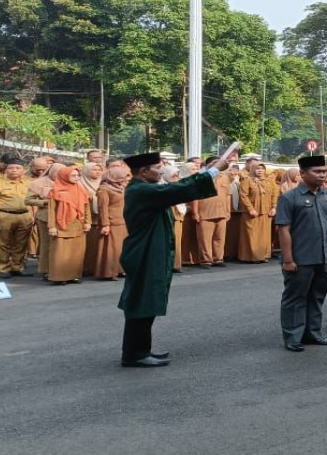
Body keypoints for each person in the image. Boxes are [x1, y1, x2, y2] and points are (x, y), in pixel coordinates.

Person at [117, 150, 232, 367]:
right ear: (143, 171)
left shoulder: (144, 188)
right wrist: (215, 170)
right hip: (144, 252)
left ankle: (141, 350)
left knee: (145, 302)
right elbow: (179, 189)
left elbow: (178, 187)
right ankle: (135, 354)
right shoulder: (141, 190)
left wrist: (209, 170)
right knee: (142, 303)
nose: (161, 171)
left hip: (148, 251)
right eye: (157, 168)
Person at [276, 155, 327, 352]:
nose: (322, 175)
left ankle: (313, 333)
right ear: (302, 174)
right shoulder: (289, 197)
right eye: (317, 171)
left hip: (324, 258)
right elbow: (283, 230)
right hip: (301, 259)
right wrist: (288, 260)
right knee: (295, 298)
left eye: (324, 171)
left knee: (317, 297)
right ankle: (293, 337)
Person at [46, 167, 91, 285]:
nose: (76, 178)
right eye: (73, 176)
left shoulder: (81, 190)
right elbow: (51, 210)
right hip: (62, 225)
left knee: (77, 252)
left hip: (78, 224)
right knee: (60, 252)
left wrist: (88, 222)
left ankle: (74, 275)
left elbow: (86, 208)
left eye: (78, 176)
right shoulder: (55, 190)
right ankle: (59, 277)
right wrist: (52, 226)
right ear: (64, 176)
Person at [0, 158, 33, 277]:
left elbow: (34, 200)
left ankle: (17, 267)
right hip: (4, 215)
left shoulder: (28, 183)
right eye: (11, 168)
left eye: (17, 168)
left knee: (21, 243)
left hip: (24, 215)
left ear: (23, 170)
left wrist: (32, 216)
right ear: (6, 170)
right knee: (1, 243)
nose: (14, 170)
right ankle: (3, 268)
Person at [26, 162, 63, 277]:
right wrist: (45, 202)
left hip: (63, 217)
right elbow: (28, 201)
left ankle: (61, 268)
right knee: (47, 244)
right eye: (57, 172)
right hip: (45, 216)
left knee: (61, 244)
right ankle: (46, 269)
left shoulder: (68, 182)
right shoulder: (38, 183)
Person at [193, 157, 231, 268]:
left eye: (218, 163)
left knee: (219, 238)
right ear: (207, 164)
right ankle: (206, 260)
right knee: (205, 238)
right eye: (214, 163)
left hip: (221, 211)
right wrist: (195, 212)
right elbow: (195, 196)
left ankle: (218, 259)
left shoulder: (224, 177)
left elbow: (228, 195)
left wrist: (228, 211)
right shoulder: (200, 177)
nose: (217, 165)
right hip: (205, 212)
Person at [94, 165, 129, 280]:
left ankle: (120, 270)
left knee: (120, 248)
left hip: (122, 221)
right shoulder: (104, 190)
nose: (124, 179)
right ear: (114, 176)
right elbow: (103, 208)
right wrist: (105, 224)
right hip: (111, 222)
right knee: (110, 249)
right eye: (121, 177)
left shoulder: (121, 187)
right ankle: (108, 272)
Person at [239, 163, 274, 263]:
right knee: (252, 234)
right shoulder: (247, 180)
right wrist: (250, 209)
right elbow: (243, 196)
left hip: (266, 212)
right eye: (257, 169)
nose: (260, 171)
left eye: (262, 169)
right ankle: (252, 257)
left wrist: (274, 207)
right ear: (253, 169)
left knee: (264, 235)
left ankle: (264, 255)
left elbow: (274, 195)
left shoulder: (269, 181)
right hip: (251, 212)